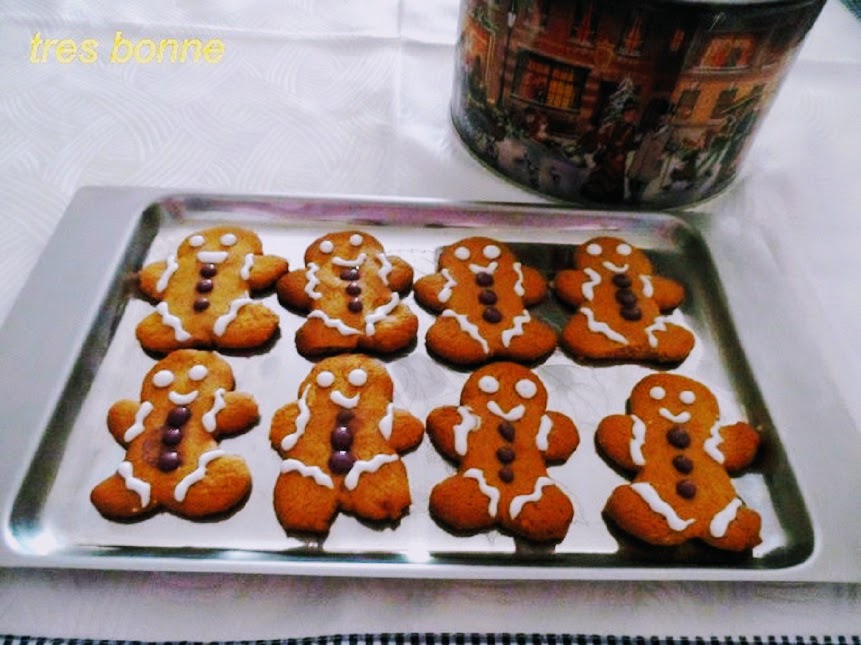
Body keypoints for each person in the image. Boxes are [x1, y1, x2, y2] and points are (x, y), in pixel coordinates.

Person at [627, 109, 673, 204]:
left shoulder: (670, 132)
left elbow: (673, 146)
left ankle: (636, 199)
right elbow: (638, 140)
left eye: (666, 117)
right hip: (640, 157)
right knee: (632, 179)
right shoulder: (650, 129)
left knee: (644, 180)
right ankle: (632, 196)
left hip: (653, 160)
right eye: (662, 117)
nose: (663, 119)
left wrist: (664, 154)